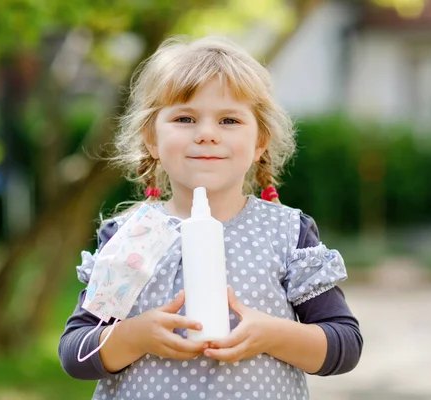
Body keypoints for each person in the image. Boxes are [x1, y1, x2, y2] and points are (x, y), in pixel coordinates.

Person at [59, 35, 363, 400]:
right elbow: (75, 353)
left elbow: (345, 344)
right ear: (151, 138)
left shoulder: (286, 234)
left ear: (260, 141)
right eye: (184, 118)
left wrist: (273, 334)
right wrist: (133, 336)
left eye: (229, 120)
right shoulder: (131, 236)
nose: (206, 134)